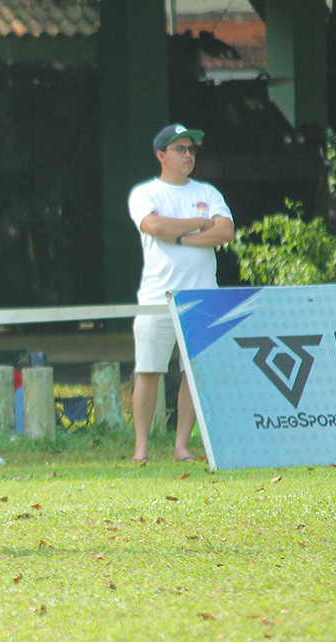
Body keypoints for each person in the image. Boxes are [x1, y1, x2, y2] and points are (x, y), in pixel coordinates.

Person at [128, 124, 234, 462]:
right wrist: (199, 222)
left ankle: (181, 446)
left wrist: (180, 236)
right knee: (148, 371)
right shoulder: (145, 193)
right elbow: (155, 226)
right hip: (158, 296)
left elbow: (226, 232)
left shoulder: (209, 192)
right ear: (161, 156)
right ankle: (141, 447)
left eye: (191, 149)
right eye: (180, 149)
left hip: (203, 297)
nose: (188, 155)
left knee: (194, 371)